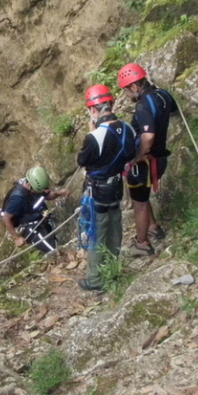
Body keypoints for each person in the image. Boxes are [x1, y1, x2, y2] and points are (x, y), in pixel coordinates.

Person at [76, 84, 136, 291]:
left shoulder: (94, 137)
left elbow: (82, 160)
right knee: (114, 228)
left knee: (96, 232)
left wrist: (91, 133)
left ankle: (95, 280)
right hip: (117, 186)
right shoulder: (127, 129)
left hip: (97, 191)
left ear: (93, 110)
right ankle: (113, 270)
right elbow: (129, 154)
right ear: (111, 104)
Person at [118, 62, 178, 255]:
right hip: (160, 158)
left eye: (126, 91)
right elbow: (174, 110)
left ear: (134, 87)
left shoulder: (143, 106)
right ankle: (153, 227)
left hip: (145, 163)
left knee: (139, 202)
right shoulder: (163, 95)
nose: (127, 96)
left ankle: (142, 243)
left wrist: (137, 157)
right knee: (143, 196)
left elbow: (148, 136)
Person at [0, 166, 69, 255]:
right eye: (39, 190)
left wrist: (58, 193)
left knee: (51, 236)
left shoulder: (34, 186)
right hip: (26, 224)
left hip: (36, 214)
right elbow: (6, 218)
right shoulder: (18, 198)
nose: (44, 191)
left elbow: (46, 195)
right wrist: (16, 238)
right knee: (52, 250)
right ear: (29, 186)